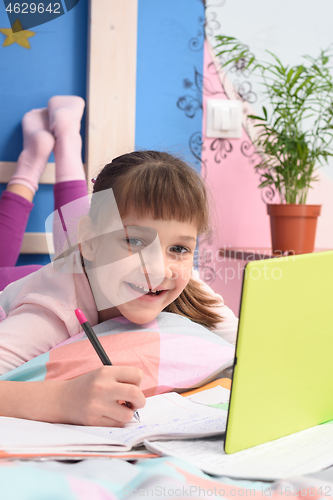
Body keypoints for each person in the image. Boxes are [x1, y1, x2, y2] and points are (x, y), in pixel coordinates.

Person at [0, 99, 238, 428]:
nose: (158, 268)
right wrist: (62, 399)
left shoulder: (181, 280)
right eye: (135, 241)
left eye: (179, 248)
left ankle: (63, 142)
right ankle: (40, 155)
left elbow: (251, 349)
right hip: (22, 283)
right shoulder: (49, 309)